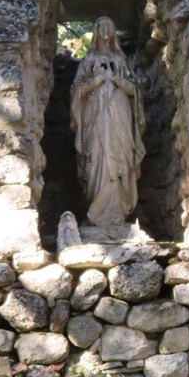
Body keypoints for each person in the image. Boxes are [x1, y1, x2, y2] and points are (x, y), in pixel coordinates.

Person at [70, 16, 145, 225]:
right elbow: (76, 91)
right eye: (100, 25)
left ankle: (119, 211)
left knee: (121, 154)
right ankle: (98, 210)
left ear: (114, 32)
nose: (105, 29)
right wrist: (97, 81)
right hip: (96, 115)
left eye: (109, 26)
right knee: (97, 156)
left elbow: (136, 90)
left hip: (120, 113)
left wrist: (118, 81)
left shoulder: (121, 60)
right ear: (94, 30)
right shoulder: (88, 60)